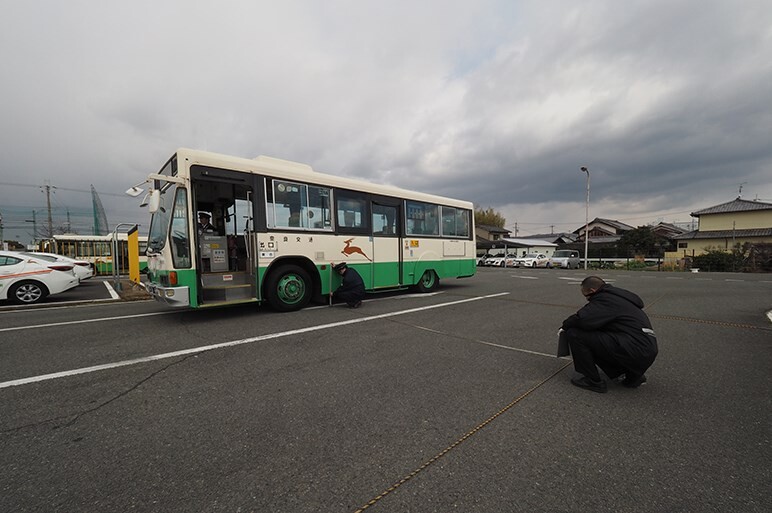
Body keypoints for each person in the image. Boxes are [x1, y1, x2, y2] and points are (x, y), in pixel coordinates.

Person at [559, 276, 658, 393]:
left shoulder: (605, 300)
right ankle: (632, 376)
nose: (588, 300)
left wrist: (565, 326)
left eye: (587, 296)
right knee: (601, 334)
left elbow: (582, 319)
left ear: (592, 291)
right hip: (647, 349)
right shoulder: (620, 297)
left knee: (575, 334)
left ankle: (593, 381)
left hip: (634, 349)